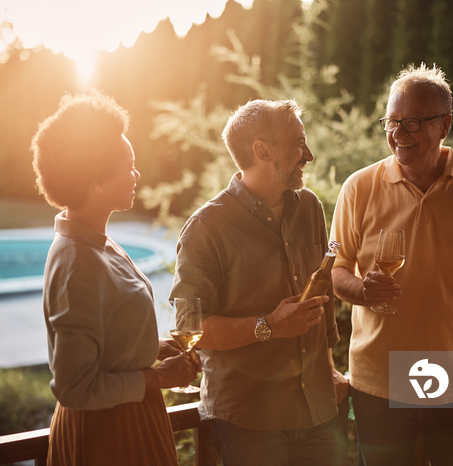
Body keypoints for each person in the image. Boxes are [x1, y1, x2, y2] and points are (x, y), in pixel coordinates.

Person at [330, 63, 453, 465]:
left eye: (412, 122)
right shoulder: (358, 188)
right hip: (378, 387)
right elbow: (335, 270)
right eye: (392, 121)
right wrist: (362, 290)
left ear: (444, 124)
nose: (398, 134)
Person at [169, 99, 349, 466]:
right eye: (299, 143)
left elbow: (323, 294)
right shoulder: (206, 229)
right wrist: (268, 326)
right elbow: (190, 328)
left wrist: (329, 370)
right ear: (262, 151)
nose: (309, 154)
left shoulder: (311, 208)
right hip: (250, 420)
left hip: (319, 410)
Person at [31, 91, 199, 466]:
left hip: (133, 417)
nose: (136, 174)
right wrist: (159, 378)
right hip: (109, 435)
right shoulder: (78, 262)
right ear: (95, 181)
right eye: (128, 165)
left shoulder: (98, 243)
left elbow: (107, 342)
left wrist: (153, 347)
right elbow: (76, 387)